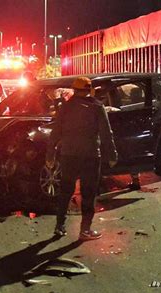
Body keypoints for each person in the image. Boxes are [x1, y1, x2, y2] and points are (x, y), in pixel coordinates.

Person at [46, 77, 118, 240]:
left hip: (69, 155)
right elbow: (106, 133)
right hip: (90, 156)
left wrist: (50, 155)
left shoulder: (66, 107)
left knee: (65, 191)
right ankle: (85, 230)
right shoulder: (97, 107)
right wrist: (112, 155)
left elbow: (55, 132)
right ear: (89, 90)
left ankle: (60, 226)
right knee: (88, 193)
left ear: (74, 90)